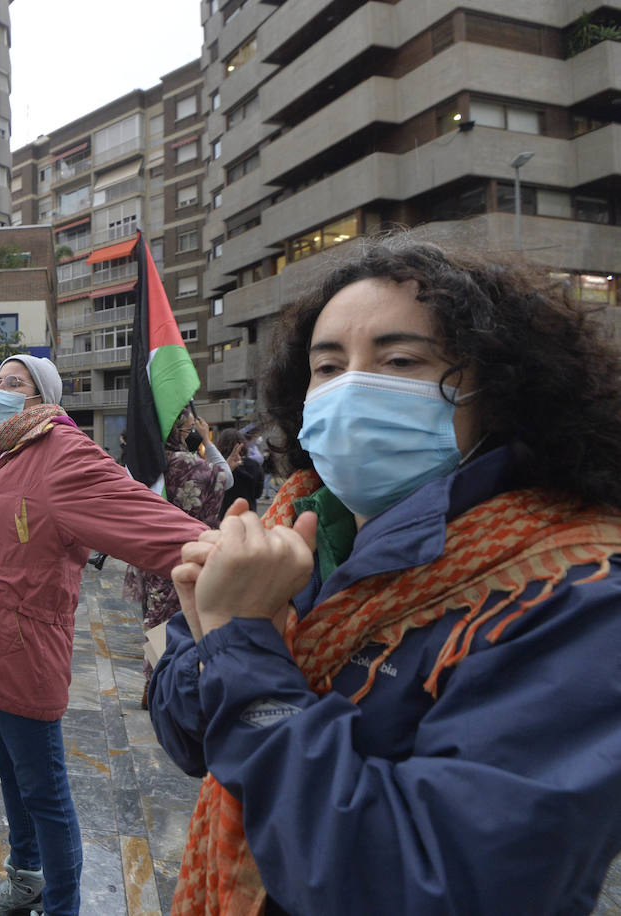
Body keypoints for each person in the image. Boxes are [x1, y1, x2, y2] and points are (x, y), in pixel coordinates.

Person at [151, 237, 621, 916]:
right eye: (328, 366)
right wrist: (212, 643)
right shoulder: (290, 523)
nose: (351, 388)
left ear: (498, 389)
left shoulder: (574, 594)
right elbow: (189, 736)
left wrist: (240, 647)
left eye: (400, 361)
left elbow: (428, 884)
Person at [0, 353, 208, 916]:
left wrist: (224, 553)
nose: (1, 390)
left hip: (22, 657)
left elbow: (139, 514)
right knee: (10, 773)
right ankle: (25, 878)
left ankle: (62, 905)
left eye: (14, 383)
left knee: (45, 792)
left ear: (43, 397)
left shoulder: (61, 453)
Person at [121, 408, 224, 707]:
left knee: (155, 620)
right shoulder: (198, 467)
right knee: (185, 621)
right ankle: (168, 684)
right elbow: (223, 480)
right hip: (189, 551)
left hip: (150, 553)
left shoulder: (144, 467)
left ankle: (152, 681)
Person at [216, 427, 262, 515]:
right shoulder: (254, 465)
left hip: (223, 514)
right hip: (248, 514)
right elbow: (258, 493)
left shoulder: (217, 465)